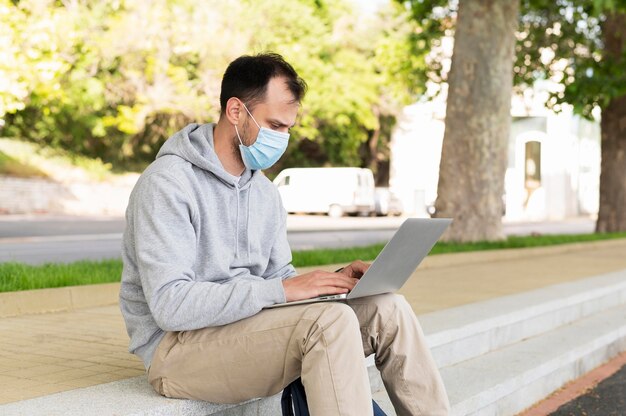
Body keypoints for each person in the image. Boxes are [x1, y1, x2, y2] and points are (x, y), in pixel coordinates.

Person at [119, 52, 450, 416]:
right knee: (329, 322)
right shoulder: (167, 184)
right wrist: (281, 290)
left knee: (388, 308)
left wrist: (333, 282)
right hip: (177, 351)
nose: (283, 138)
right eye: (275, 125)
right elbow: (171, 306)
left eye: (288, 128)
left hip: (247, 329)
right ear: (235, 112)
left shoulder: (264, 192)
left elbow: (278, 281)